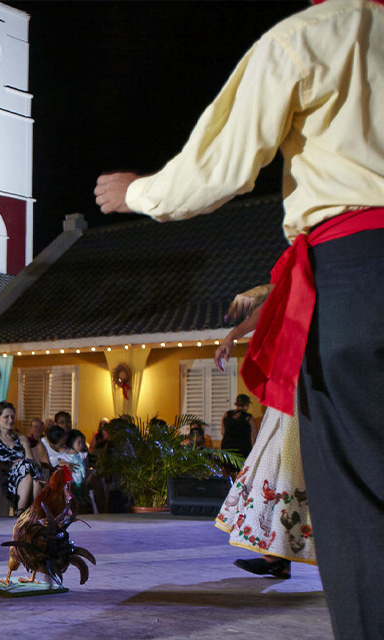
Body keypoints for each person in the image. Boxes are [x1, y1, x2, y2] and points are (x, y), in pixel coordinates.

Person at [94, 2, 383, 634]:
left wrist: (138, 192)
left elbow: (216, 170)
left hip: (359, 273)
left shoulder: (310, 36)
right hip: (342, 270)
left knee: (362, 502)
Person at [214, 292, 313, 579]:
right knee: (277, 464)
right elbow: (279, 294)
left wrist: (259, 291)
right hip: (291, 380)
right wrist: (233, 335)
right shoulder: (299, 266)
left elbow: (275, 290)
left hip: (315, 376)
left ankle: (282, 557)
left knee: (298, 468)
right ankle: (277, 556)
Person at [0, 401, 43, 515]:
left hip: (24, 472)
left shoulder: (20, 438)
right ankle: (26, 513)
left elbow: (29, 458)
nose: (10, 420)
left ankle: (23, 512)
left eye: (12, 417)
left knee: (29, 472)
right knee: (31, 474)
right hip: (4, 476)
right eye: (6, 417)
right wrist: (9, 466)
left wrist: (20, 464)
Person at [220, 395, 256, 460]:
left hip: (227, 448)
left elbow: (223, 432)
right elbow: (255, 435)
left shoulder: (227, 415)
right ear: (246, 405)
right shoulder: (248, 418)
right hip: (243, 449)